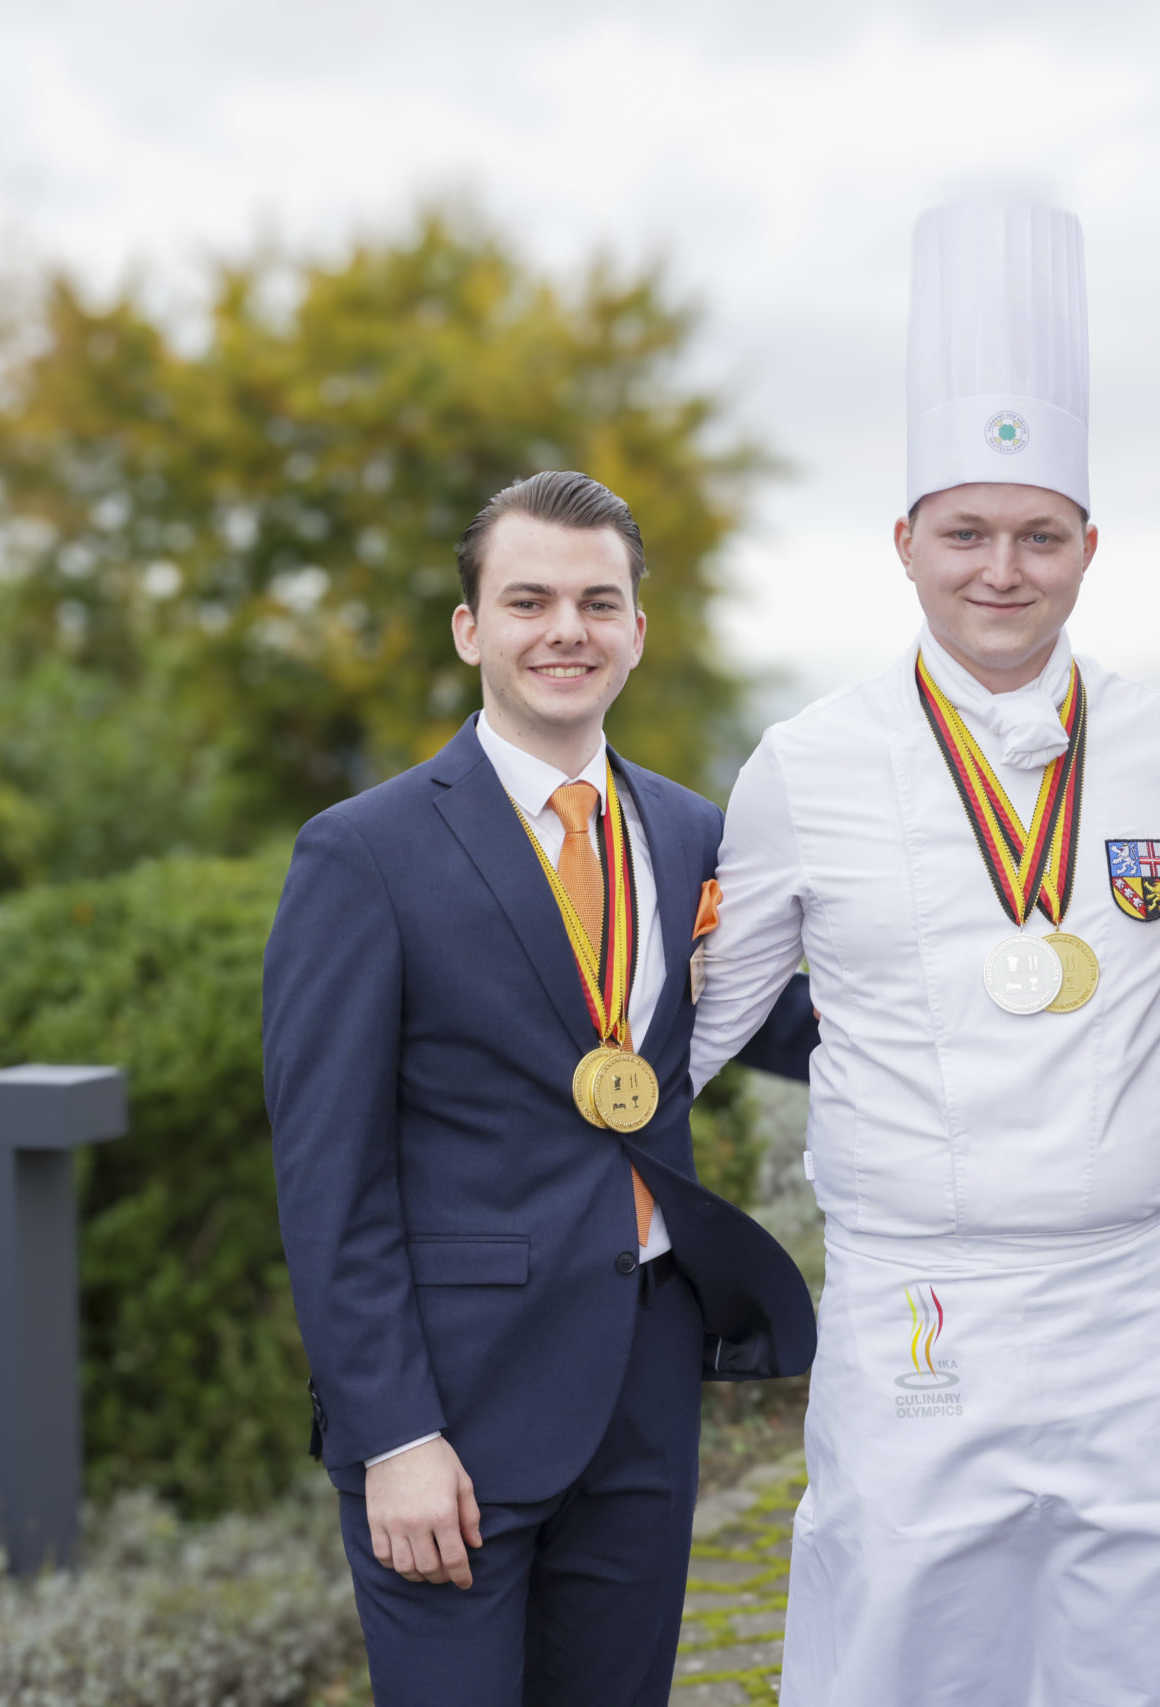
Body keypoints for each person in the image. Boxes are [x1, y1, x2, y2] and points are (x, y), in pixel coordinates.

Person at [687, 200, 1160, 1707]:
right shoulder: (804, 763)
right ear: (904, 541)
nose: (1000, 570)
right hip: (918, 1300)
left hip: (1139, 1288)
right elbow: (681, 1029)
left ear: (1088, 542)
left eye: (1037, 533)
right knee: (904, 1650)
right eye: (965, 532)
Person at [263, 471, 821, 1707]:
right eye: (528, 601)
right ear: (471, 630)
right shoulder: (363, 852)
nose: (565, 629)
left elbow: (792, 1027)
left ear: (636, 630)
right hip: (452, 1407)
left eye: (596, 602)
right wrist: (391, 1437)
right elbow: (327, 1176)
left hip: (644, 1373)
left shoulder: (691, 834)